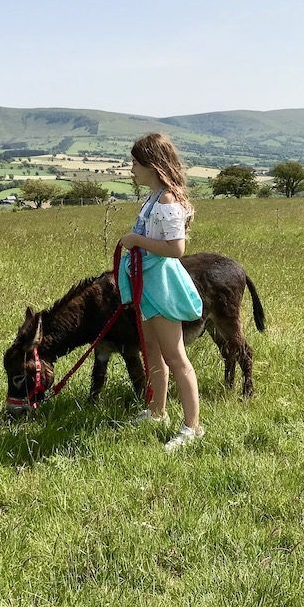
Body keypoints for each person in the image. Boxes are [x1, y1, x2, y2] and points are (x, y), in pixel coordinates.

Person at [118, 133, 204, 452]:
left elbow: (176, 248)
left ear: (152, 166)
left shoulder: (167, 201)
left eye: (135, 163)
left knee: (175, 356)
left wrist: (136, 241)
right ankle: (157, 413)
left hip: (161, 286)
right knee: (152, 352)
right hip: (148, 286)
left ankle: (192, 427)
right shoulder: (153, 198)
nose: (131, 169)